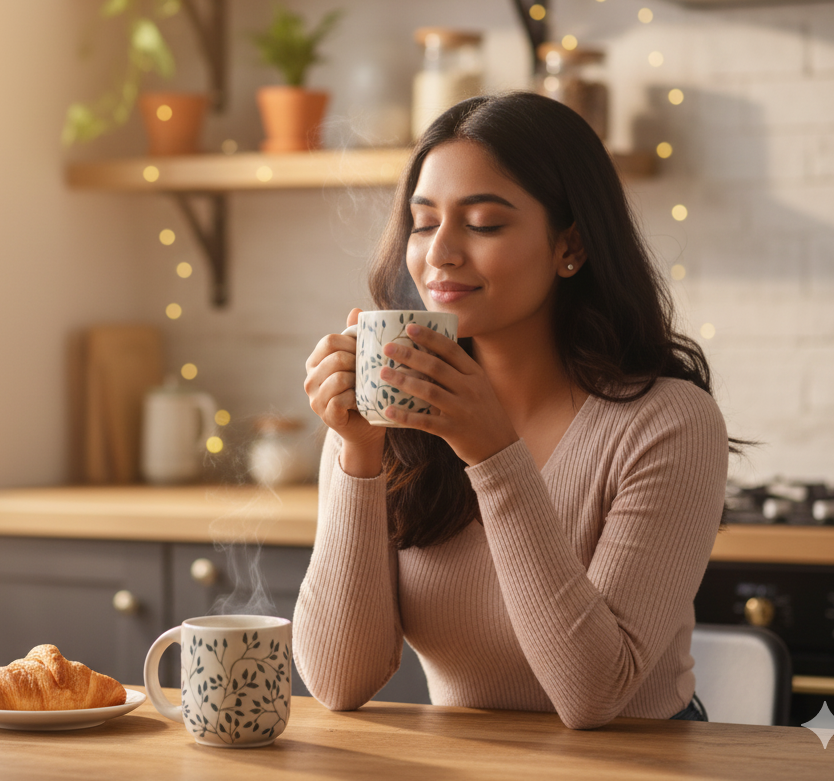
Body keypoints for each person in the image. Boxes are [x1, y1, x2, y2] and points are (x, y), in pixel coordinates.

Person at [297, 92, 728, 729]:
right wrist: (359, 456)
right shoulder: (390, 416)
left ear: (570, 246)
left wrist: (493, 455)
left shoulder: (669, 424)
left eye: (484, 224)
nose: (439, 252)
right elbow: (339, 682)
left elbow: (592, 695)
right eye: (423, 222)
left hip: (639, 765)